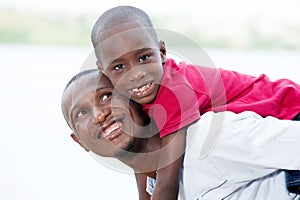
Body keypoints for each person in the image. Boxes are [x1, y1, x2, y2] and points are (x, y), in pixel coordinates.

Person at [90, 5, 300, 198]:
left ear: (162, 52)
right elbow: (145, 170)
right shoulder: (139, 97)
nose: (136, 74)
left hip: (290, 109)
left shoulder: (173, 92)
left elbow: (166, 183)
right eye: (119, 67)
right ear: (103, 70)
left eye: (144, 58)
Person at [61, 69, 300, 199]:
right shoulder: (156, 184)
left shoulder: (207, 138)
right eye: (81, 114)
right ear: (80, 142)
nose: (100, 115)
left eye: (106, 97)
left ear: (135, 98)